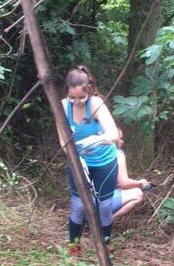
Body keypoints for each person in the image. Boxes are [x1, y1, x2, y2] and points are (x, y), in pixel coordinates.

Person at [56, 65, 120, 254]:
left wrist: (94, 140)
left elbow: (113, 133)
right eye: (72, 98)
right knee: (78, 205)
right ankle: (74, 247)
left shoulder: (96, 104)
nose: (76, 102)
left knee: (105, 205)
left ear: (89, 90)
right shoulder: (62, 105)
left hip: (105, 161)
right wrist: (76, 157)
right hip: (78, 162)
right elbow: (62, 140)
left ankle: (105, 245)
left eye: (81, 98)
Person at [111, 129, 150, 220]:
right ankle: (108, 221)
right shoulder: (117, 153)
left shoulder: (95, 152)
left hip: (83, 205)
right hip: (100, 203)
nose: (122, 141)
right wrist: (141, 183)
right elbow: (124, 183)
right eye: (120, 138)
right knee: (137, 194)